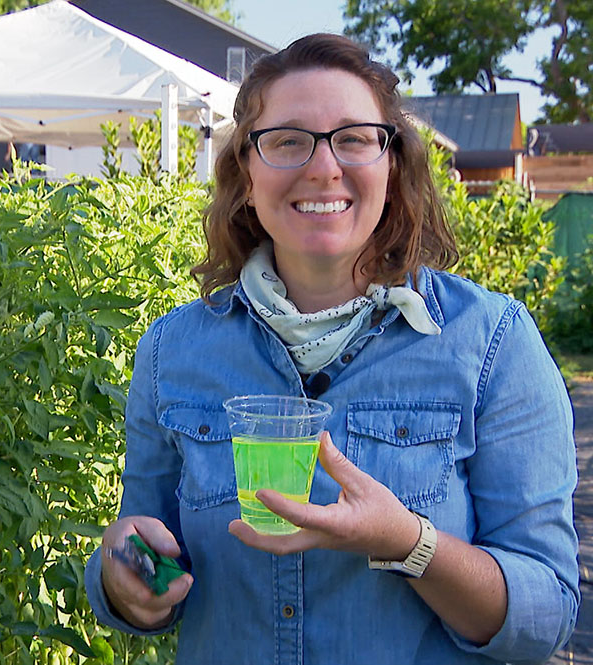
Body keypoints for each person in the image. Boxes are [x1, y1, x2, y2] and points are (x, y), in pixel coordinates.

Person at [84, 33, 579, 664]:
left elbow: (547, 616)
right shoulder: (172, 352)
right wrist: (124, 578)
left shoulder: (490, 343)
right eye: (288, 140)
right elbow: (139, 555)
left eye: (353, 137)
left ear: (392, 166)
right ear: (245, 175)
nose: (324, 168)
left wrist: (408, 543)